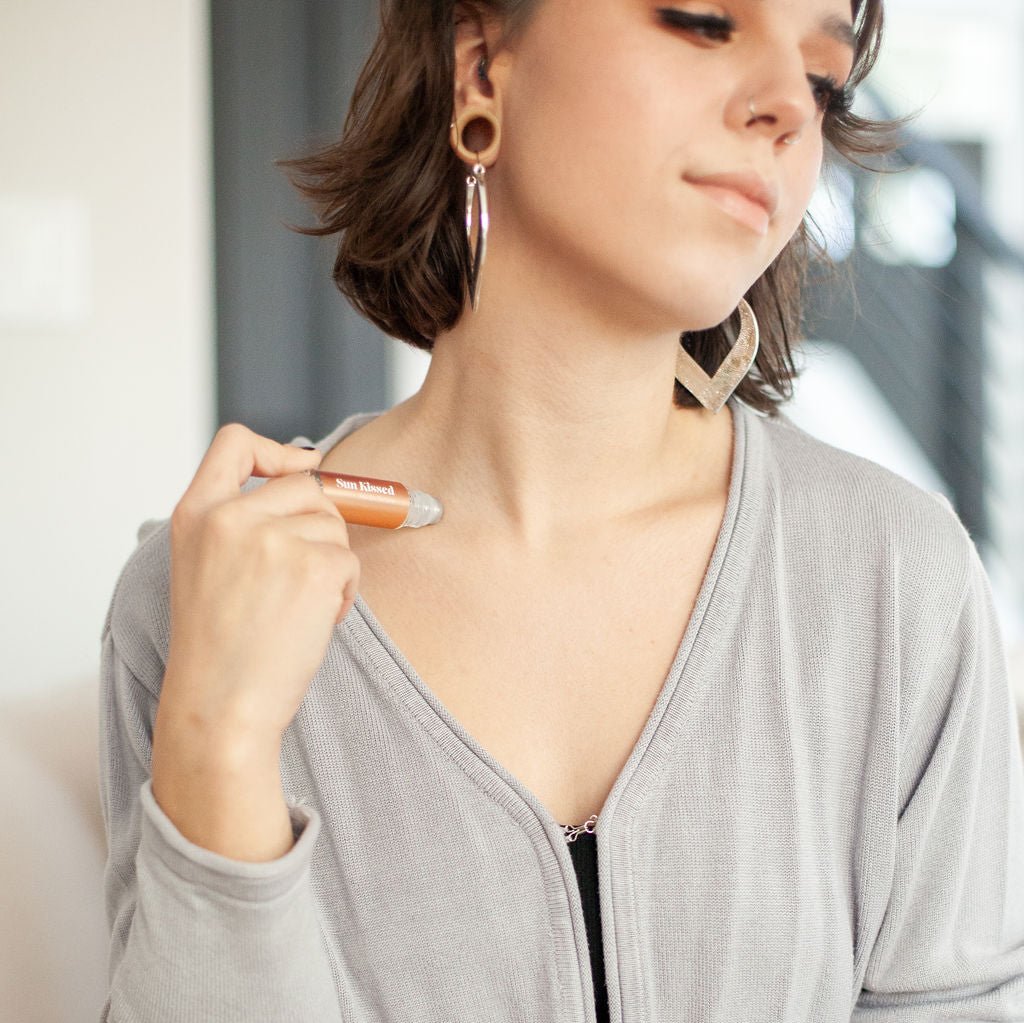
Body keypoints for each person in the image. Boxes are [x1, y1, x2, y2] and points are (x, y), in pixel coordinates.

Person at [98, 0, 1024, 1020]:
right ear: (483, 68)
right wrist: (218, 741)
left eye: (823, 82)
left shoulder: (896, 577)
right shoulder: (193, 602)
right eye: (703, 20)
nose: (784, 111)